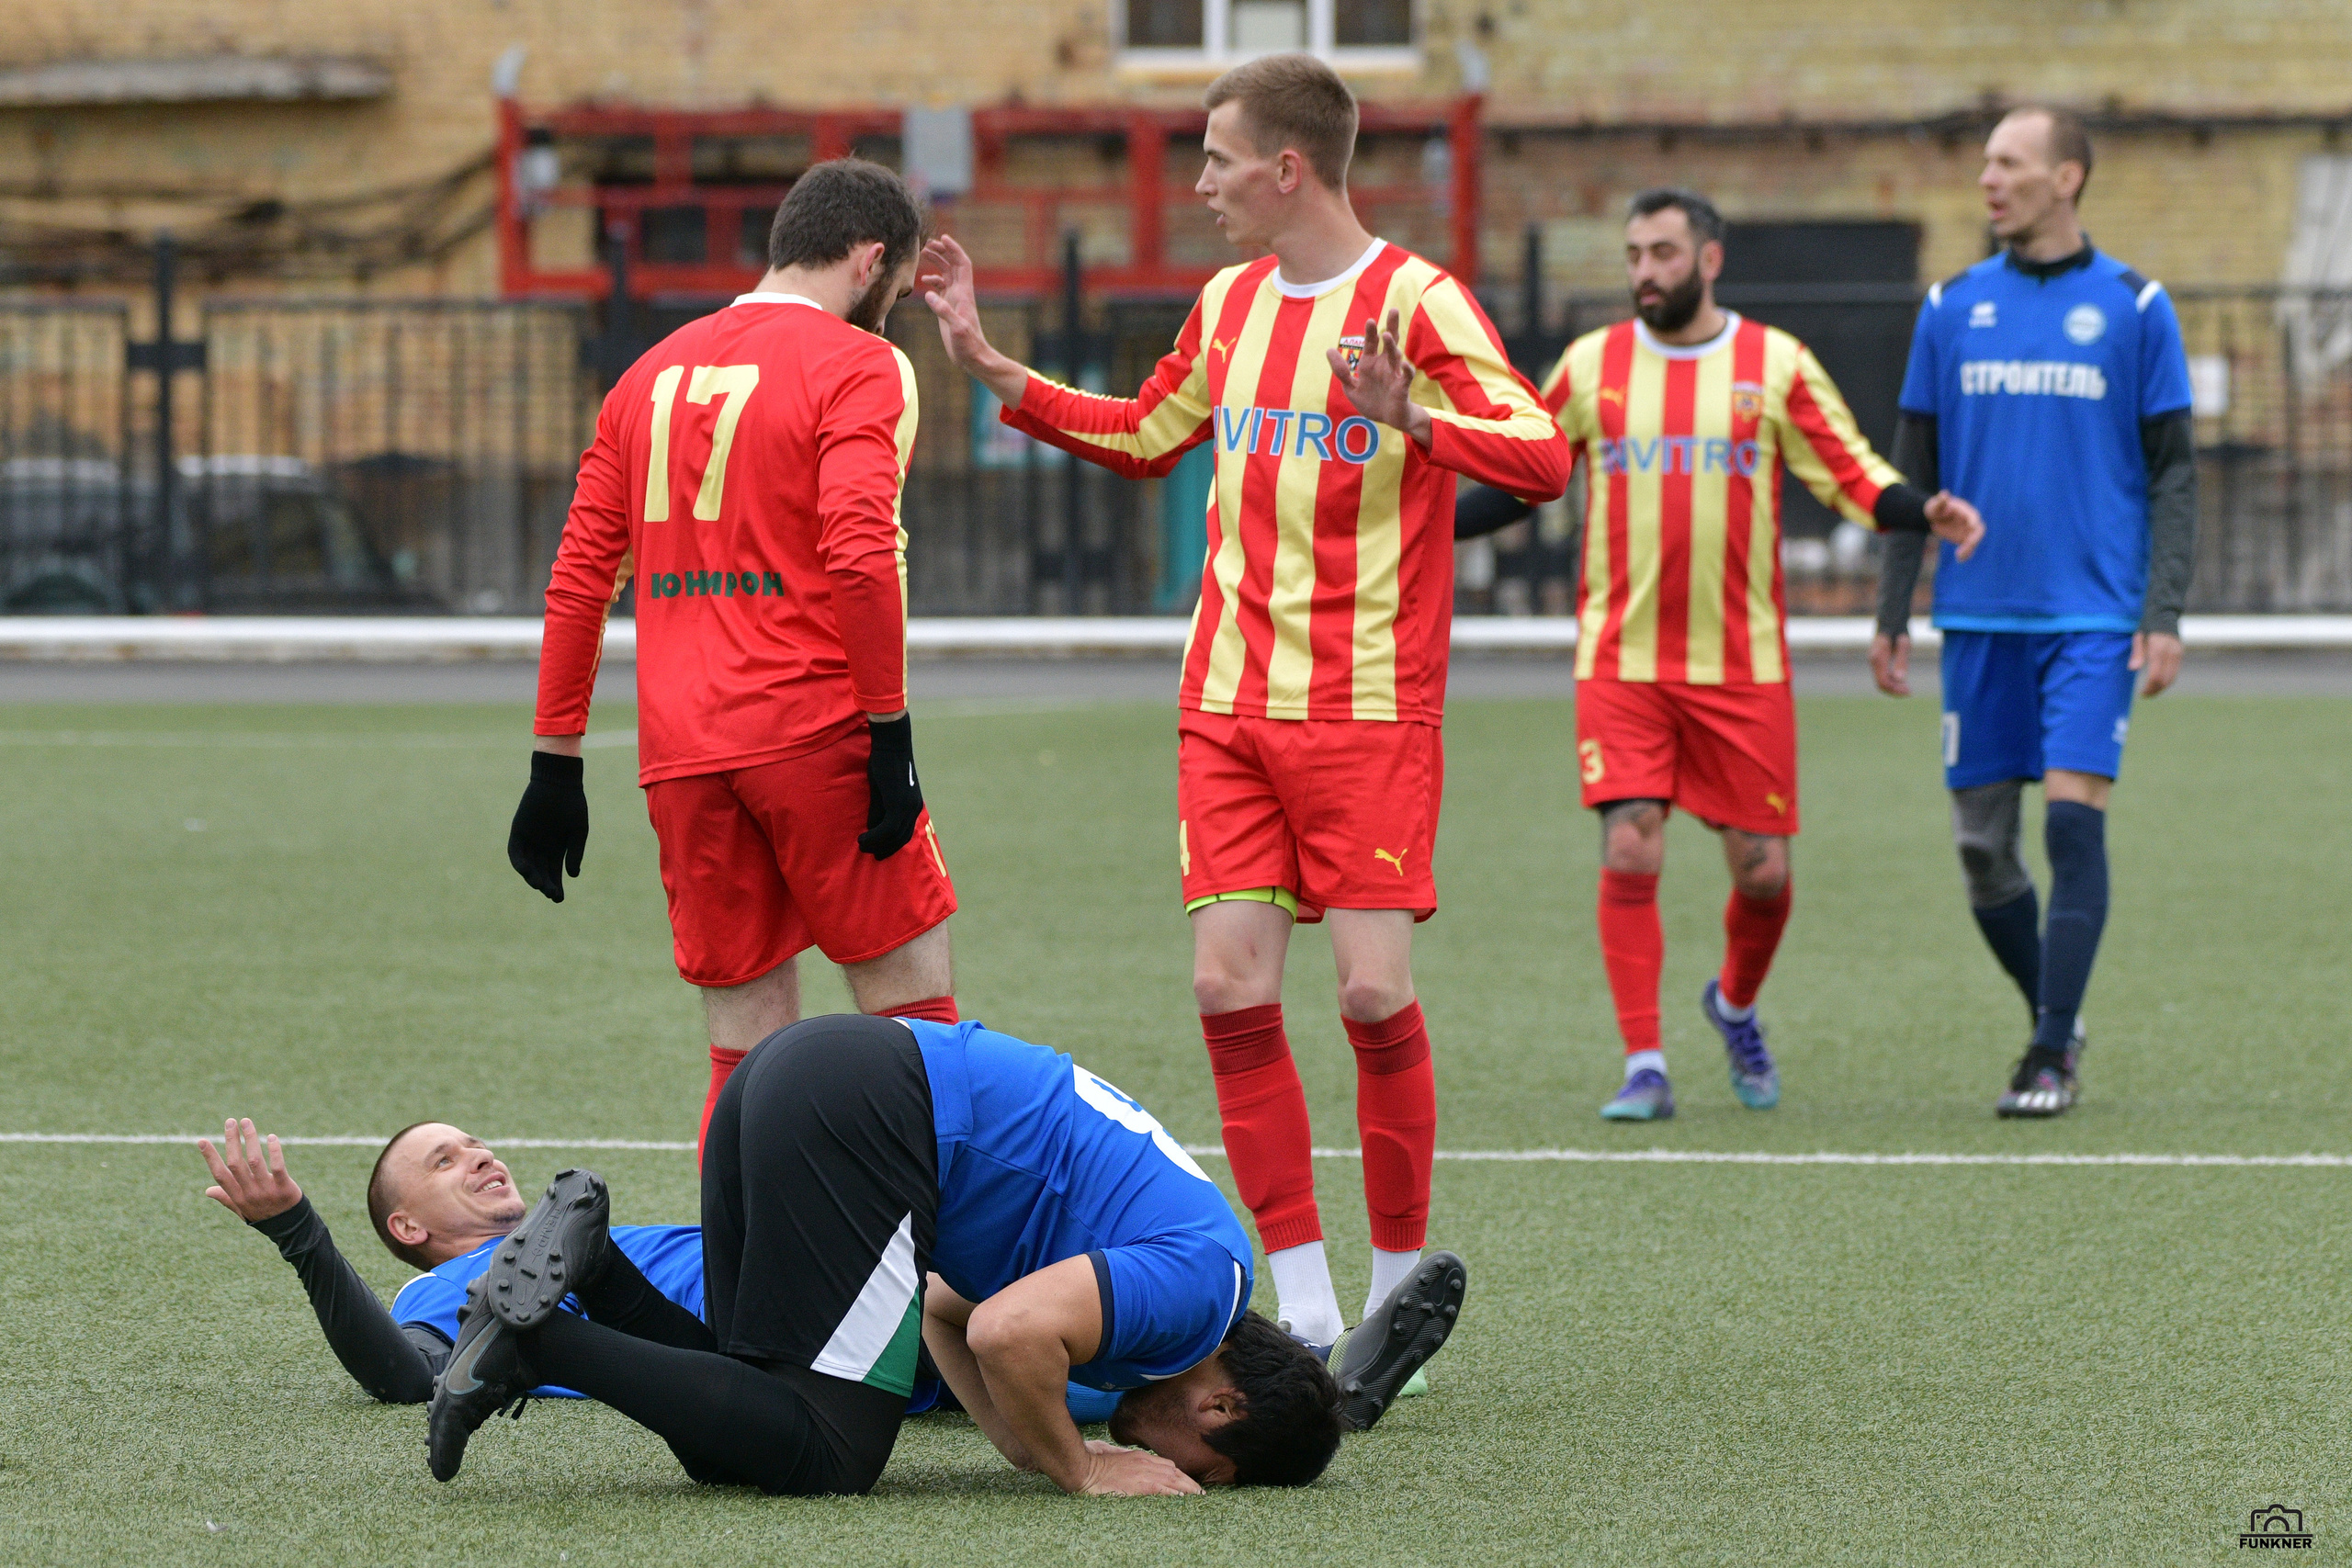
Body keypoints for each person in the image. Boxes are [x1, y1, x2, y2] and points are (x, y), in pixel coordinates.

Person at [919, 52, 1566, 1346]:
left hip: (1370, 703)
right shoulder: (1225, 305)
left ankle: (1395, 1292)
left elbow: (1543, 452)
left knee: (1374, 996)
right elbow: (1148, 432)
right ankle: (1309, 1303)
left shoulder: (1416, 302)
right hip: (1226, 699)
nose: (1200, 180)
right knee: (1227, 989)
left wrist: (1416, 420)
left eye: (1215, 157)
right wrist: (992, 365)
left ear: (1287, 166)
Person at [427, 1013, 1470, 1495]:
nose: (1174, 1469)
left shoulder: (1184, 1287)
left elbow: (948, 1308)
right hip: (868, 1113)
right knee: (831, 1456)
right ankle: (541, 1346)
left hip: (799, 1075)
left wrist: (1021, 1443)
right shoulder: (1202, 1291)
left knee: (735, 1428)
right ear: (1220, 1414)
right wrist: (1079, 1468)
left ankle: (594, 1276)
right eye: (1203, 1473)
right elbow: (1012, 1329)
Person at [1458, 188, 1984, 1121]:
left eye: (1661, 252)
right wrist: (1422, 526)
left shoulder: (1773, 366)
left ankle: (1733, 1006)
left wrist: (1920, 510)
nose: (1643, 272)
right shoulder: (1590, 367)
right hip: (1621, 661)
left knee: (1763, 873)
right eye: (1632, 254)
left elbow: (1850, 472)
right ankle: (1644, 1064)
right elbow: (1526, 480)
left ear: (1707, 260)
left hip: (1741, 669)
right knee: (1629, 843)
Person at [509, 158, 960, 1152]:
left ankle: (741, 1292)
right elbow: (856, 548)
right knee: (920, 1031)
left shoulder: (647, 375)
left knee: (743, 1055)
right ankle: (930, 1291)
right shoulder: (858, 363)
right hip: (816, 732)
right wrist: (890, 729)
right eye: (892, 293)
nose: (889, 316)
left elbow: (581, 576)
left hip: (682, 754)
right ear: (870, 259)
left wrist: (555, 762)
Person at [1872, 107, 2196, 1118]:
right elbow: (1911, 473)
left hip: (2090, 618)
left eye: (2007, 164)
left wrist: (2164, 610)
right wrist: (1893, 608)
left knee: (2070, 825)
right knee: (1981, 850)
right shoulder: (1948, 306)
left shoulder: (2138, 306)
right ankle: (2053, 1009)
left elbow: (2174, 473)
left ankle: (2047, 1053)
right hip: (1977, 617)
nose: (1988, 181)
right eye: (1983, 165)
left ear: (2067, 176)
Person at [195, 1114, 1123, 1423]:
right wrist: (298, 1233)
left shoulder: (572, 1232)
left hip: (829, 1290)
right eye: (443, 1162)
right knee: (1023, 1322)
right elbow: (406, 1378)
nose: (477, 1157)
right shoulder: (440, 1293)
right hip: (795, 1325)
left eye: (473, 1143)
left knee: (1111, 1375)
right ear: (404, 1226)